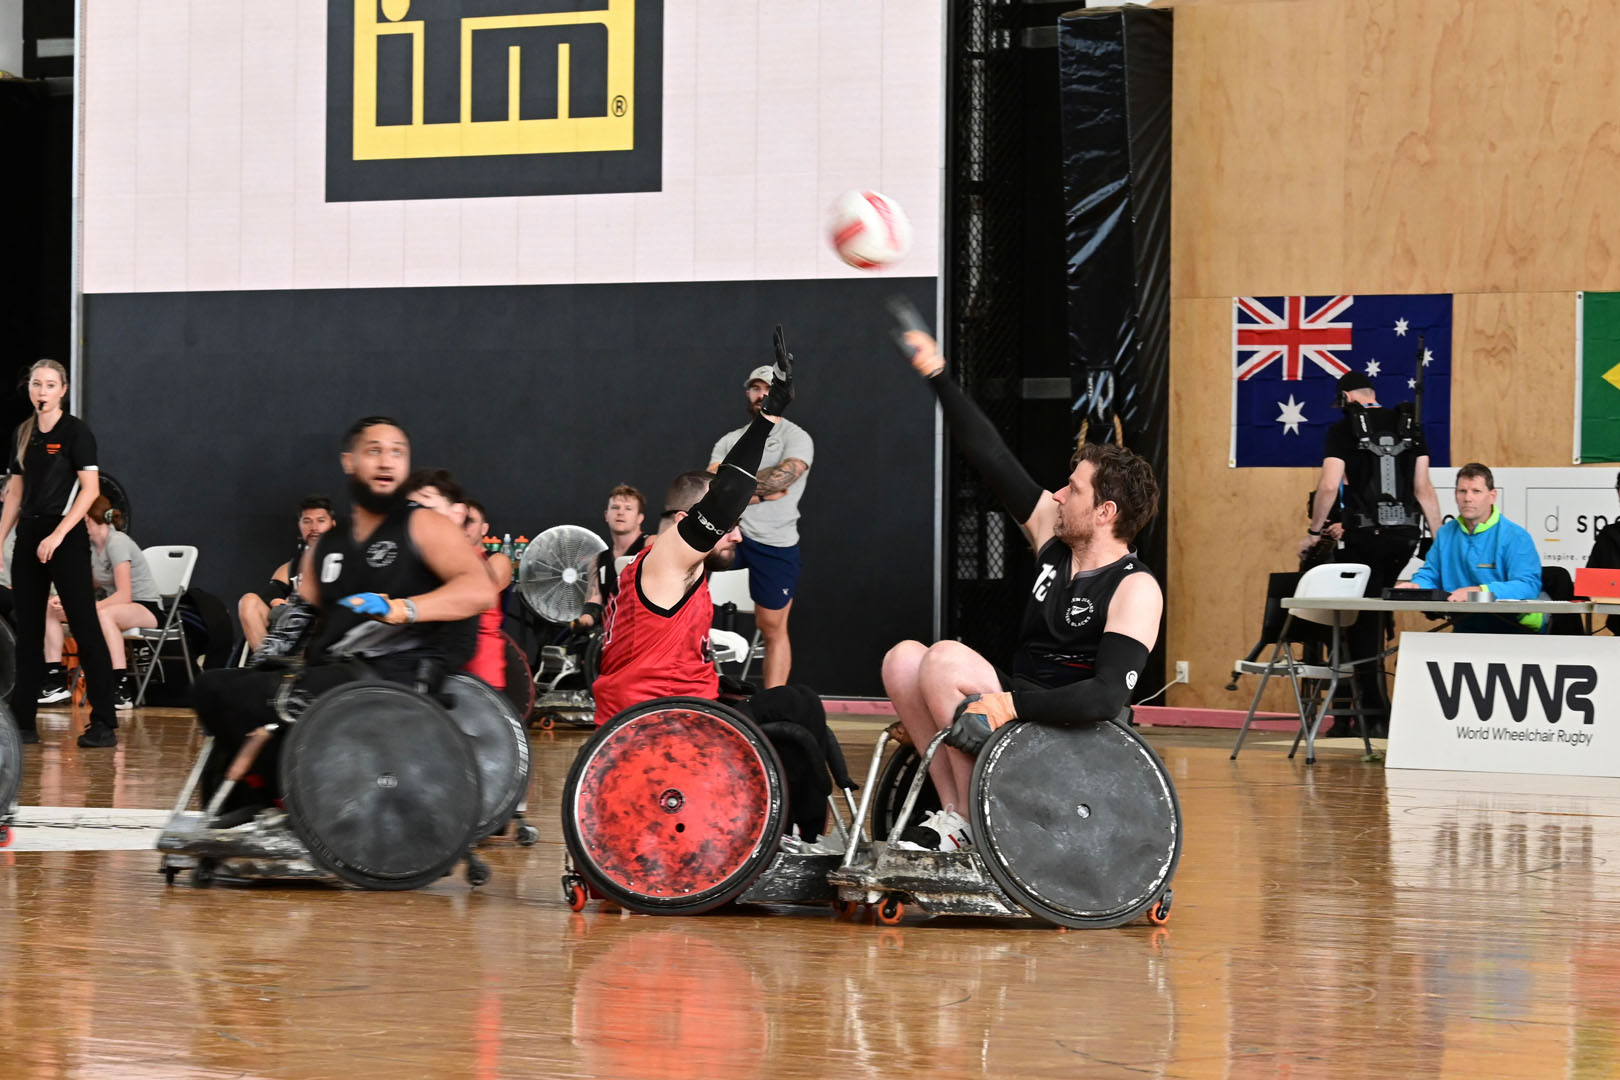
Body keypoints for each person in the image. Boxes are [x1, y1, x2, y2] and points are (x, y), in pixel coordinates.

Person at [881, 331, 1163, 853]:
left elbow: (1106, 697)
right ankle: (956, 814)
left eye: (1073, 489)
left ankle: (971, 825)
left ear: (1106, 512)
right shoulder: (1052, 538)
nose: (1057, 493)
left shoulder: (1136, 586)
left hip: (1071, 730)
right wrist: (939, 374)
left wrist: (1007, 706)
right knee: (903, 660)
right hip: (1020, 699)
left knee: (943, 659)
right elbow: (990, 455)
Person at [593, 330, 838, 845]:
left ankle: (796, 831)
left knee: (780, 698)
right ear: (686, 520)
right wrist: (770, 415)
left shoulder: (663, 566)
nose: (736, 533)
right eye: (726, 524)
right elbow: (727, 496)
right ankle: (803, 842)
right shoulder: (666, 559)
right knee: (798, 706)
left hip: (658, 707)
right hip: (665, 721)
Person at [190, 417, 494, 817]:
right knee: (213, 688)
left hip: (388, 675)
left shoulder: (423, 525)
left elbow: (479, 590)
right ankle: (257, 804)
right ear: (349, 462)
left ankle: (287, 802)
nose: (387, 461)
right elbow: (301, 612)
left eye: (397, 452)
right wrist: (267, 662)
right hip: (330, 671)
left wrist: (402, 609)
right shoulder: (331, 541)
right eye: (375, 451)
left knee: (251, 699)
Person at [1299, 372, 1441, 725]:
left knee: (1355, 620)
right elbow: (1423, 488)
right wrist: (1440, 541)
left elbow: (1329, 485)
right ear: (1372, 394)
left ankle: (1371, 712)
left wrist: (1315, 531)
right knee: (1374, 615)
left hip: (1363, 538)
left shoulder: (1342, 428)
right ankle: (1369, 709)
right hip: (1404, 539)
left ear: (1346, 398)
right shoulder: (1411, 426)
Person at [0, 360, 120, 747]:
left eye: (50, 385)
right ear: (30, 388)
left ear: (63, 390)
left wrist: (59, 534)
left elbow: (89, 490)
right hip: (30, 534)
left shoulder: (76, 433)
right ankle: (23, 724)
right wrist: (1, 538)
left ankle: (103, 722)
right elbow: (15, 493)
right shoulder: (23, 433)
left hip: (65, 536)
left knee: (85, 627)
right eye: (37, 384)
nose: (42, 391)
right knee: (29, 631)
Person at [709, 359, 814, 688]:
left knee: (772, 627)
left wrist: (737, 486)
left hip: (775, 542)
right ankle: (690, 689)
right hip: (729, 534)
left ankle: (773, 706)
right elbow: (710, 485)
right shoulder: (729, 441)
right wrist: (764, 492)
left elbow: (786, 476)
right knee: (684, 588)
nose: (761, 395)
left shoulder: (796, 437)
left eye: (768, 389)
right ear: (747, 393)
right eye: (756, 388)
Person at [39, 495, 162, 709]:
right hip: (113, 607)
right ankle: (55, 680)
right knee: (51, 609)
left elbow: (125, 595)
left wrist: (85, 608)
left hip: (145, 607)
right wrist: (66, 599)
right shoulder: (92, 546)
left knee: (105, 616)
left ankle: (120, 688)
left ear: (85, 517)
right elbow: (91, 585)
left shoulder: (118, 542)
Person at [1395, 462, 1544, 633]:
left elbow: (1528, 587)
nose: (1467, 498)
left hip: (1515, 632)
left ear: (1492, 496)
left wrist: (1478, 592)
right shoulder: (1445, 534)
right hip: (1465, 629)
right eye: (1462, 491)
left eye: (1476, 491)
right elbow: (1431, 574)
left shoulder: (1515, 536)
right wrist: (1417, 587)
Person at [405, 469, 511, 689]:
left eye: (429, 510)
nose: (420, 519)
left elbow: (483, 592)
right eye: (412, 512)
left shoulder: (492, 561)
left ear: (458, 514)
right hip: (428, 681)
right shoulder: (419, 560)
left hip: (478, 682)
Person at [237, 496, 335, 653]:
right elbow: (271, 594)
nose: (314, 527)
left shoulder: (345, 561)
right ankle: (267, 661)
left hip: (325, 626)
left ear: (333, 525)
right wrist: (277, 601)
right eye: (307, 521)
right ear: (300, 525)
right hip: (290, 626)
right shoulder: (292, 566)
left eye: (321, 521)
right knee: (248, 601)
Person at [576, 484, 650, 631]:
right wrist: (583, 621)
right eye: (615, 508)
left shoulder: (651, 545)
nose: (620, 513)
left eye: (628, 509)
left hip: (645, 631)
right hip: (612, 634)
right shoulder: (598, 560)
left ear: (640, 518)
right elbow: (594, 603)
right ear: (606, 515)